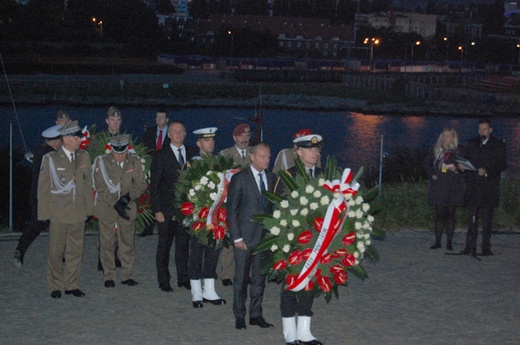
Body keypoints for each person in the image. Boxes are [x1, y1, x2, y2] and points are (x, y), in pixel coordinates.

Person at [275, 134, 324, 345]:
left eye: (316, 149)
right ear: (298, 152)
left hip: (317, 239)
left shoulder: (325, 176)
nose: (315, 152)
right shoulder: (287, 175)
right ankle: (289, 331)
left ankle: (304, 330)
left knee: (310, 282)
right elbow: (276, 206)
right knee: (290, 282)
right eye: (309, 149)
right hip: (292, 239)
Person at [37, 120, 93, 298]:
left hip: (78, 212)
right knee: (56, 251)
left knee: (75, 251)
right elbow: (43, 188)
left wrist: (89, 210)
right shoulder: (51, 159)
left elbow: (87, 185)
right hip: (59, 213)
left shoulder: (84, 157)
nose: (80, 140)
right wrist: (44, 214)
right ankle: (55, 284)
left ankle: (71, 284)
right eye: (77, 137)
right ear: (66, 138)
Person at [226, 143, 277, 330]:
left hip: (264, 239)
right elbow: (231, 210)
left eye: (269, 157)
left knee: (259, 279)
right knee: (240, 279)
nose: (267, 160)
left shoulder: (272, 178)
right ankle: (239, 314)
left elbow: (274, 207)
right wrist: (236, 237)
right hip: (244, 239)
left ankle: (256, 314)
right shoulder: (239, 178)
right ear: (252, 157)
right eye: (263, 156)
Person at [93, 135, 147, 288]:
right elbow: (100, 186)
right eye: (117, 153)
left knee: (127, 243)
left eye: (123, 152)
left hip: (127, 207)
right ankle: (109, 275)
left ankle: (127, 275)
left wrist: (127, 199)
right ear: (111, 149)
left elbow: (141, 184)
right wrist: (115, 203)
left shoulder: (134, 161)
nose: (120, 156)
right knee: (107, 243)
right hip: (107, 208)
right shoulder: (102, 161)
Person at [150, 120, 198, 292]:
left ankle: (183, 278)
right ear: (168, 134)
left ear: (185, 133)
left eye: (181, 131)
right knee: (164, 246)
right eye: (175, 131)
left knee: (183, 246)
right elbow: (154, 185)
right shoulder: (160, 155)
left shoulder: (193, 153)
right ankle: (164, 280)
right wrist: (156, 210)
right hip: (166, 209)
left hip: (185, 210)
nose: (178, 134)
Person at [13, 124, 62, 268]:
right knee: (38, 225)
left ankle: (21, 250)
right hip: (45, 198)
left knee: (45, 224)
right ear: (55, 141)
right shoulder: (50, 154)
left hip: (40, 196)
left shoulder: (41, 152)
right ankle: (20, 250)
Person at [188, 127, 226, 308]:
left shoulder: (220, 162)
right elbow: (186, 190)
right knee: (196, 252)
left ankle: (209, 289)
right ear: (198, 143)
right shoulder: (192, 164)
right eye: (206, 140)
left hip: (216, 216)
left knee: (213, 251)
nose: (210, 143)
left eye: (212, 140)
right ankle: (196, 290)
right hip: (198, 217)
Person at [458, 118, 507, 256]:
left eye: (484, 129)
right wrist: (463, 166)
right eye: (480, 129)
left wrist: (487, 171)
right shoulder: (473, 143)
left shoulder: (498, 145)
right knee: (472, 219)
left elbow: (501, 164)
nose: (482, 132)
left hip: (488, 188)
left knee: (486, 220)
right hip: (474, 187)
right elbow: (467, 159)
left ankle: (486, 247)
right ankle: (470, 246)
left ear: (490, 130)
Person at [218, 123, 252, 286]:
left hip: (250, 203)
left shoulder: (254, 153)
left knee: (249, 237)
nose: (244, 139)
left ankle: (248, 273)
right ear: (234, 137)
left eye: (247, 136)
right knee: (230, 239)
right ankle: (226, 273)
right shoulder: (225, 154)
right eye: (241, 136)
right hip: (230, 202)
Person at [422, 127, 465, 251]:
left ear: (453, 138)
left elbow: (464, 167)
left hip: (453, 186)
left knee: (450, 215)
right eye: (444, 136)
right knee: (439, 215)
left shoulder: (459, 150)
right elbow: (426, 164)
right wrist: (431, 175)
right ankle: (437, 241)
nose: (445, 139)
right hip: (439, 185)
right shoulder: (437, 150)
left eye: (448, 136)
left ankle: (449, 242)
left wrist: (456, 168)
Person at [140, 108, 170, 237]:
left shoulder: (172, 132)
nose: (159, 120)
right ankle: (148, 227)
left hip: (166, 169)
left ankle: (165, 225)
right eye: (157, 117)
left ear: (167, 119)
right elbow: (143, 148)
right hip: (151, 167)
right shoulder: (150, 131)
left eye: (162, 117)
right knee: (150, 195)